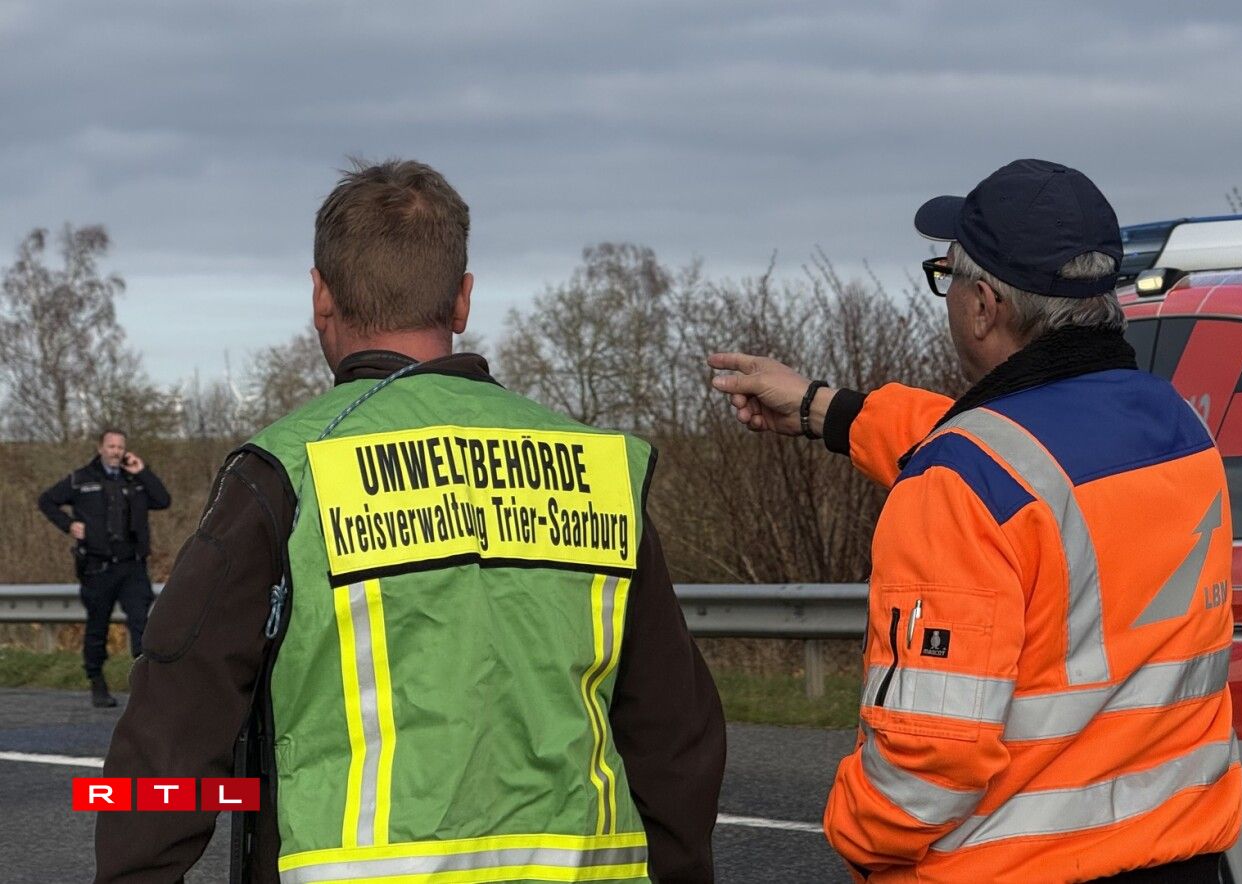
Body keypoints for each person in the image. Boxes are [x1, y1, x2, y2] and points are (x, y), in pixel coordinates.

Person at [97, 159, 726, 884]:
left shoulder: (286, 472)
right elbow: (675, 734)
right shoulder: (596, 470)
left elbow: (173, 729)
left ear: (320, 296)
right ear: (461, 300)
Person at [709, 159, 1242, 883]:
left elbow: (927, 767)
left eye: (948, 276)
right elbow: (1018, 454)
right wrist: (822, 408)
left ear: (984, 305)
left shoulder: (961, 484)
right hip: (1183, 858)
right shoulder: (1176, 427)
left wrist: (854, 834)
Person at [38, 428, 170, 708]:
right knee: (97, 627)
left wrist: (143, 471)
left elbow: (163, 500)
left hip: (132, 566)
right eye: (111, 446)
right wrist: (68, 525)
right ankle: (97, 681)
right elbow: (46, 501)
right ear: (100, 448)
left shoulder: (134, 479)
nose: (116, 452)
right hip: (98, 568)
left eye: (120, 447)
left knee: (142, 624)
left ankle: (145, 684)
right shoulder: (81, 479)